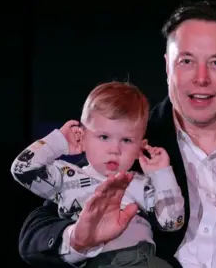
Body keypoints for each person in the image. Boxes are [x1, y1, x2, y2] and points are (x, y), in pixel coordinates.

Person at [17, 1, 216, 267]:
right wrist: (79, 238)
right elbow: (36, 235)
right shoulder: (126, 142)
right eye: (186, 61)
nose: (200, 79)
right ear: (168, 67)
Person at [12, 82, 184, 267]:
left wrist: (162, 174)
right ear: (82, 136)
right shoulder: (67, 177)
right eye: (103, 137)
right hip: (94, 261)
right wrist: (58, 141)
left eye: (126, 140)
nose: (114, 149)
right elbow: (23, 169)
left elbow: (172, 222)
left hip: (143, 260)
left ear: (140, 146)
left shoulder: (142, 184)